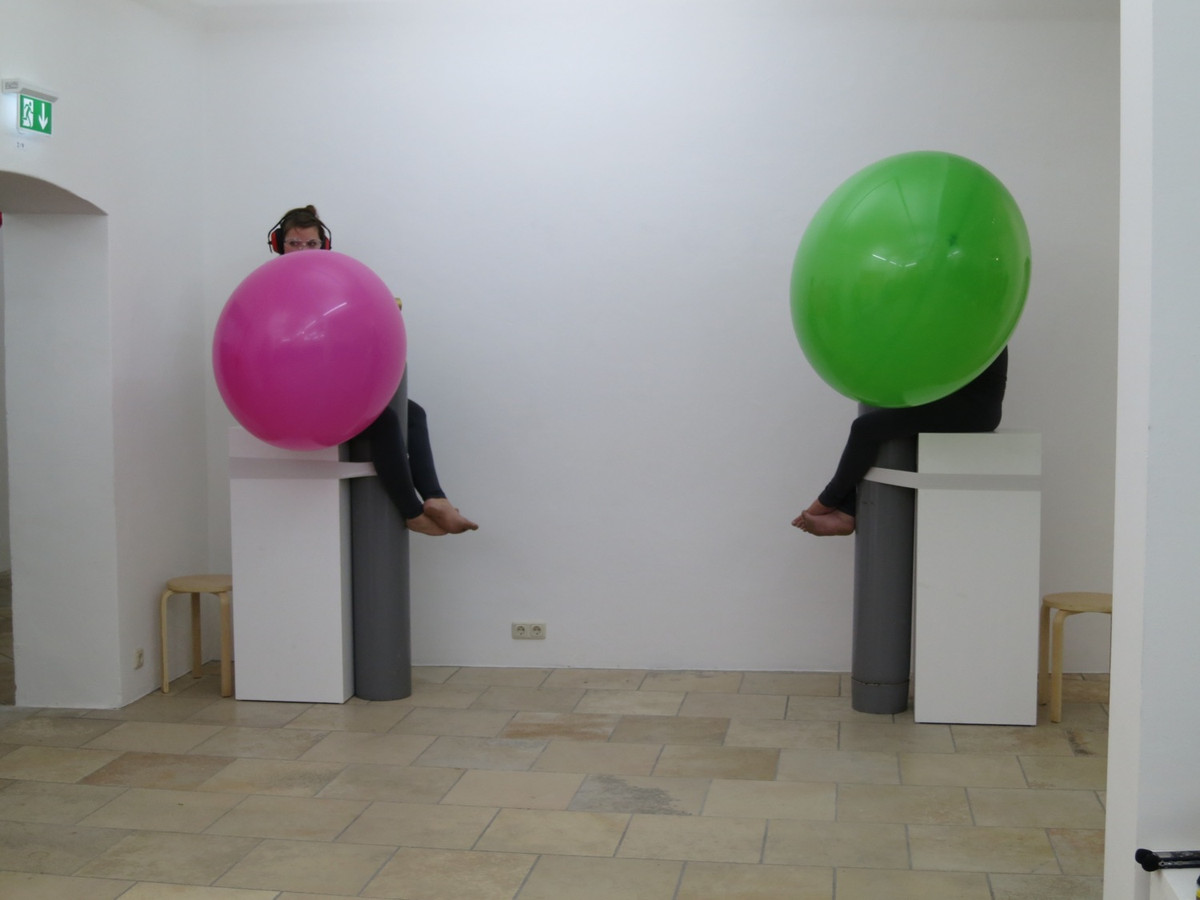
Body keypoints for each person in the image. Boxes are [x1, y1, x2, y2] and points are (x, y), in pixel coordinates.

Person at [269, 205, 478, 536]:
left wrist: (380, 310)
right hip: (298, 398)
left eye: (311, 244)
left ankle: (436, 498)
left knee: (413, 413)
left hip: (329, 387)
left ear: (324, 246)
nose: (303, 251)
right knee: (384, 421)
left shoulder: (330, 287)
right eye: (295, 243)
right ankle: (411, 512)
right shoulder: (272, 289)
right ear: (279, 245)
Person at [794, 347, 1008, 536]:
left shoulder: (968, 323)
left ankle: (828, 502)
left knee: (864, 429)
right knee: (877, 428)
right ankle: (846, 511)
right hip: (957, 401)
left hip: (972, 407)